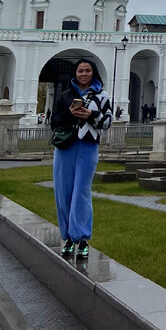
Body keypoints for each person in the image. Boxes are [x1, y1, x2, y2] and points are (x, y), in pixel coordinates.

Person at [51, 59, 112, 259]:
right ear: (75, 73)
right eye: (80, 71)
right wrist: (70, 114)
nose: (83, 74)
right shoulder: (66, 96)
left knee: (81, 192)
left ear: (93, 73)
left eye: (87, 71)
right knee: (64, 192)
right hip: (66, 147)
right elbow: (54, 122)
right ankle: (68, 238)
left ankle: (83, 238)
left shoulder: (101, 96)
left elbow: (107, 122)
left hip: (87, 146)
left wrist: (91, 116)